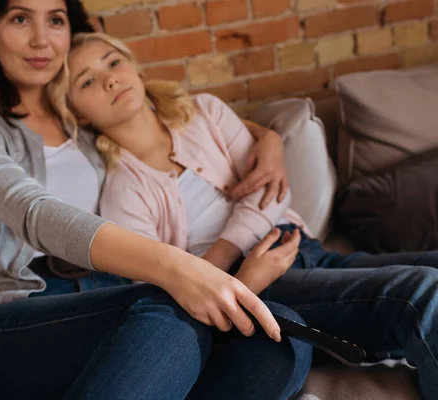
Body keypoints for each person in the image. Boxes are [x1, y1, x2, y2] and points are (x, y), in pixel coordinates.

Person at [0, 1, 312, 399]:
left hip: (109, 302)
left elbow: (174, 121)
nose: (41, 39)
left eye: (55, 20)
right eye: (20, 19)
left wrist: (269, 141)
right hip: (13, 321)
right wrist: (174, 266)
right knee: (165, 316)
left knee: (280, 336)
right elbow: (32, 211)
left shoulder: (88, 120)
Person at [53, 31, 438, 400]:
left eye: (113, 62)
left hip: (304, 248)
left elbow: (270, 193)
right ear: (79, 116)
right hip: (255, 285)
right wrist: (238, 278)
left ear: (135, 67)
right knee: (420, 293)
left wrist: (216, 256)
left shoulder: (205, 111)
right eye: (87, 82)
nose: (109, 80)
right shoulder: (122, 194)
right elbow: (164, 292)